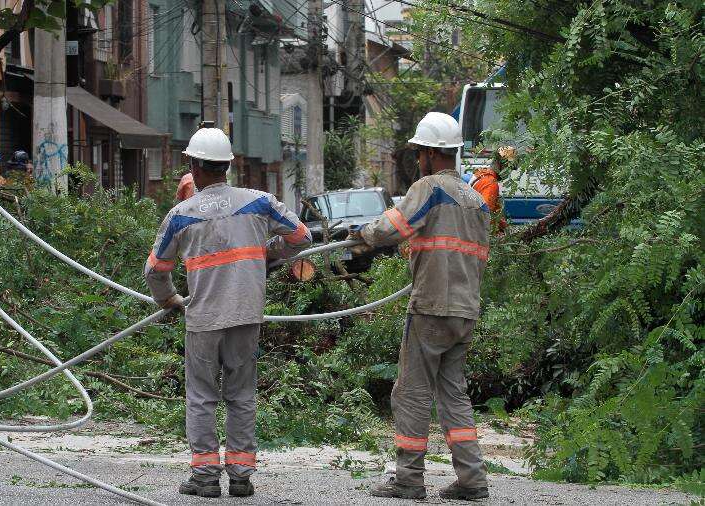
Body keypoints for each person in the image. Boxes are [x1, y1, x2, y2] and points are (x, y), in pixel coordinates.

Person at [144, 127, 312, 499]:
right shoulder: (260, 203)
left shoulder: (181, 213)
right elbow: (302, 238)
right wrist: (271, 252)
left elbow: (156, 270)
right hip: (246, 314)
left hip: (203, 318)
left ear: (194, 166)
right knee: (241, 395)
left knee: (202, 396)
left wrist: (169, 300)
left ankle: (204, 478)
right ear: (227, 167)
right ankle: (240, 477)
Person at [350, 111, 491, 501]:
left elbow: (392, 228)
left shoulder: (429, 188)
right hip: (465, 310)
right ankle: (472, 480)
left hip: (431, 306)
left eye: (419, 153)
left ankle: (409, 479)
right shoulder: (476, 200)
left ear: (430, 153)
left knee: (411, 392)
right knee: (453, 394)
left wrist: (361, 234)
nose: (417, 159)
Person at [469, 145, 513, 232]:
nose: (510, 171)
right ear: (501, 164)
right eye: (509, 167)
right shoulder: (491, 183)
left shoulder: (481, 174)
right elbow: (486, 214)